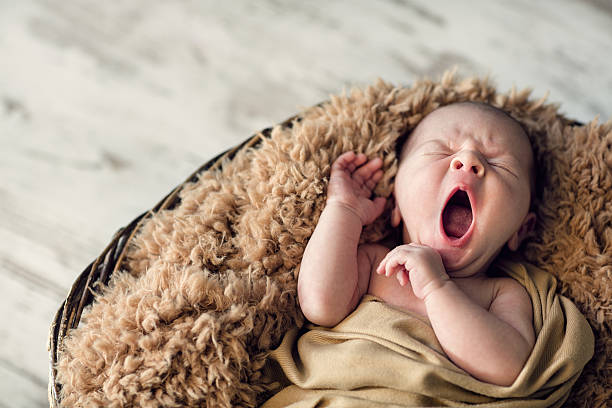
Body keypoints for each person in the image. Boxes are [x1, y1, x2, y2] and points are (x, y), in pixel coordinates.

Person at [297, 102, 538, 387]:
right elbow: (319, 305)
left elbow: (508, 367)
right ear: (396, 203)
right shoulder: (376, 266)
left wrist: (437, 287)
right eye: (442, 151)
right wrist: (343, 209)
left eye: (499, 164)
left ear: (521, 229)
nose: (467, 160)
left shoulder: (502, 294)